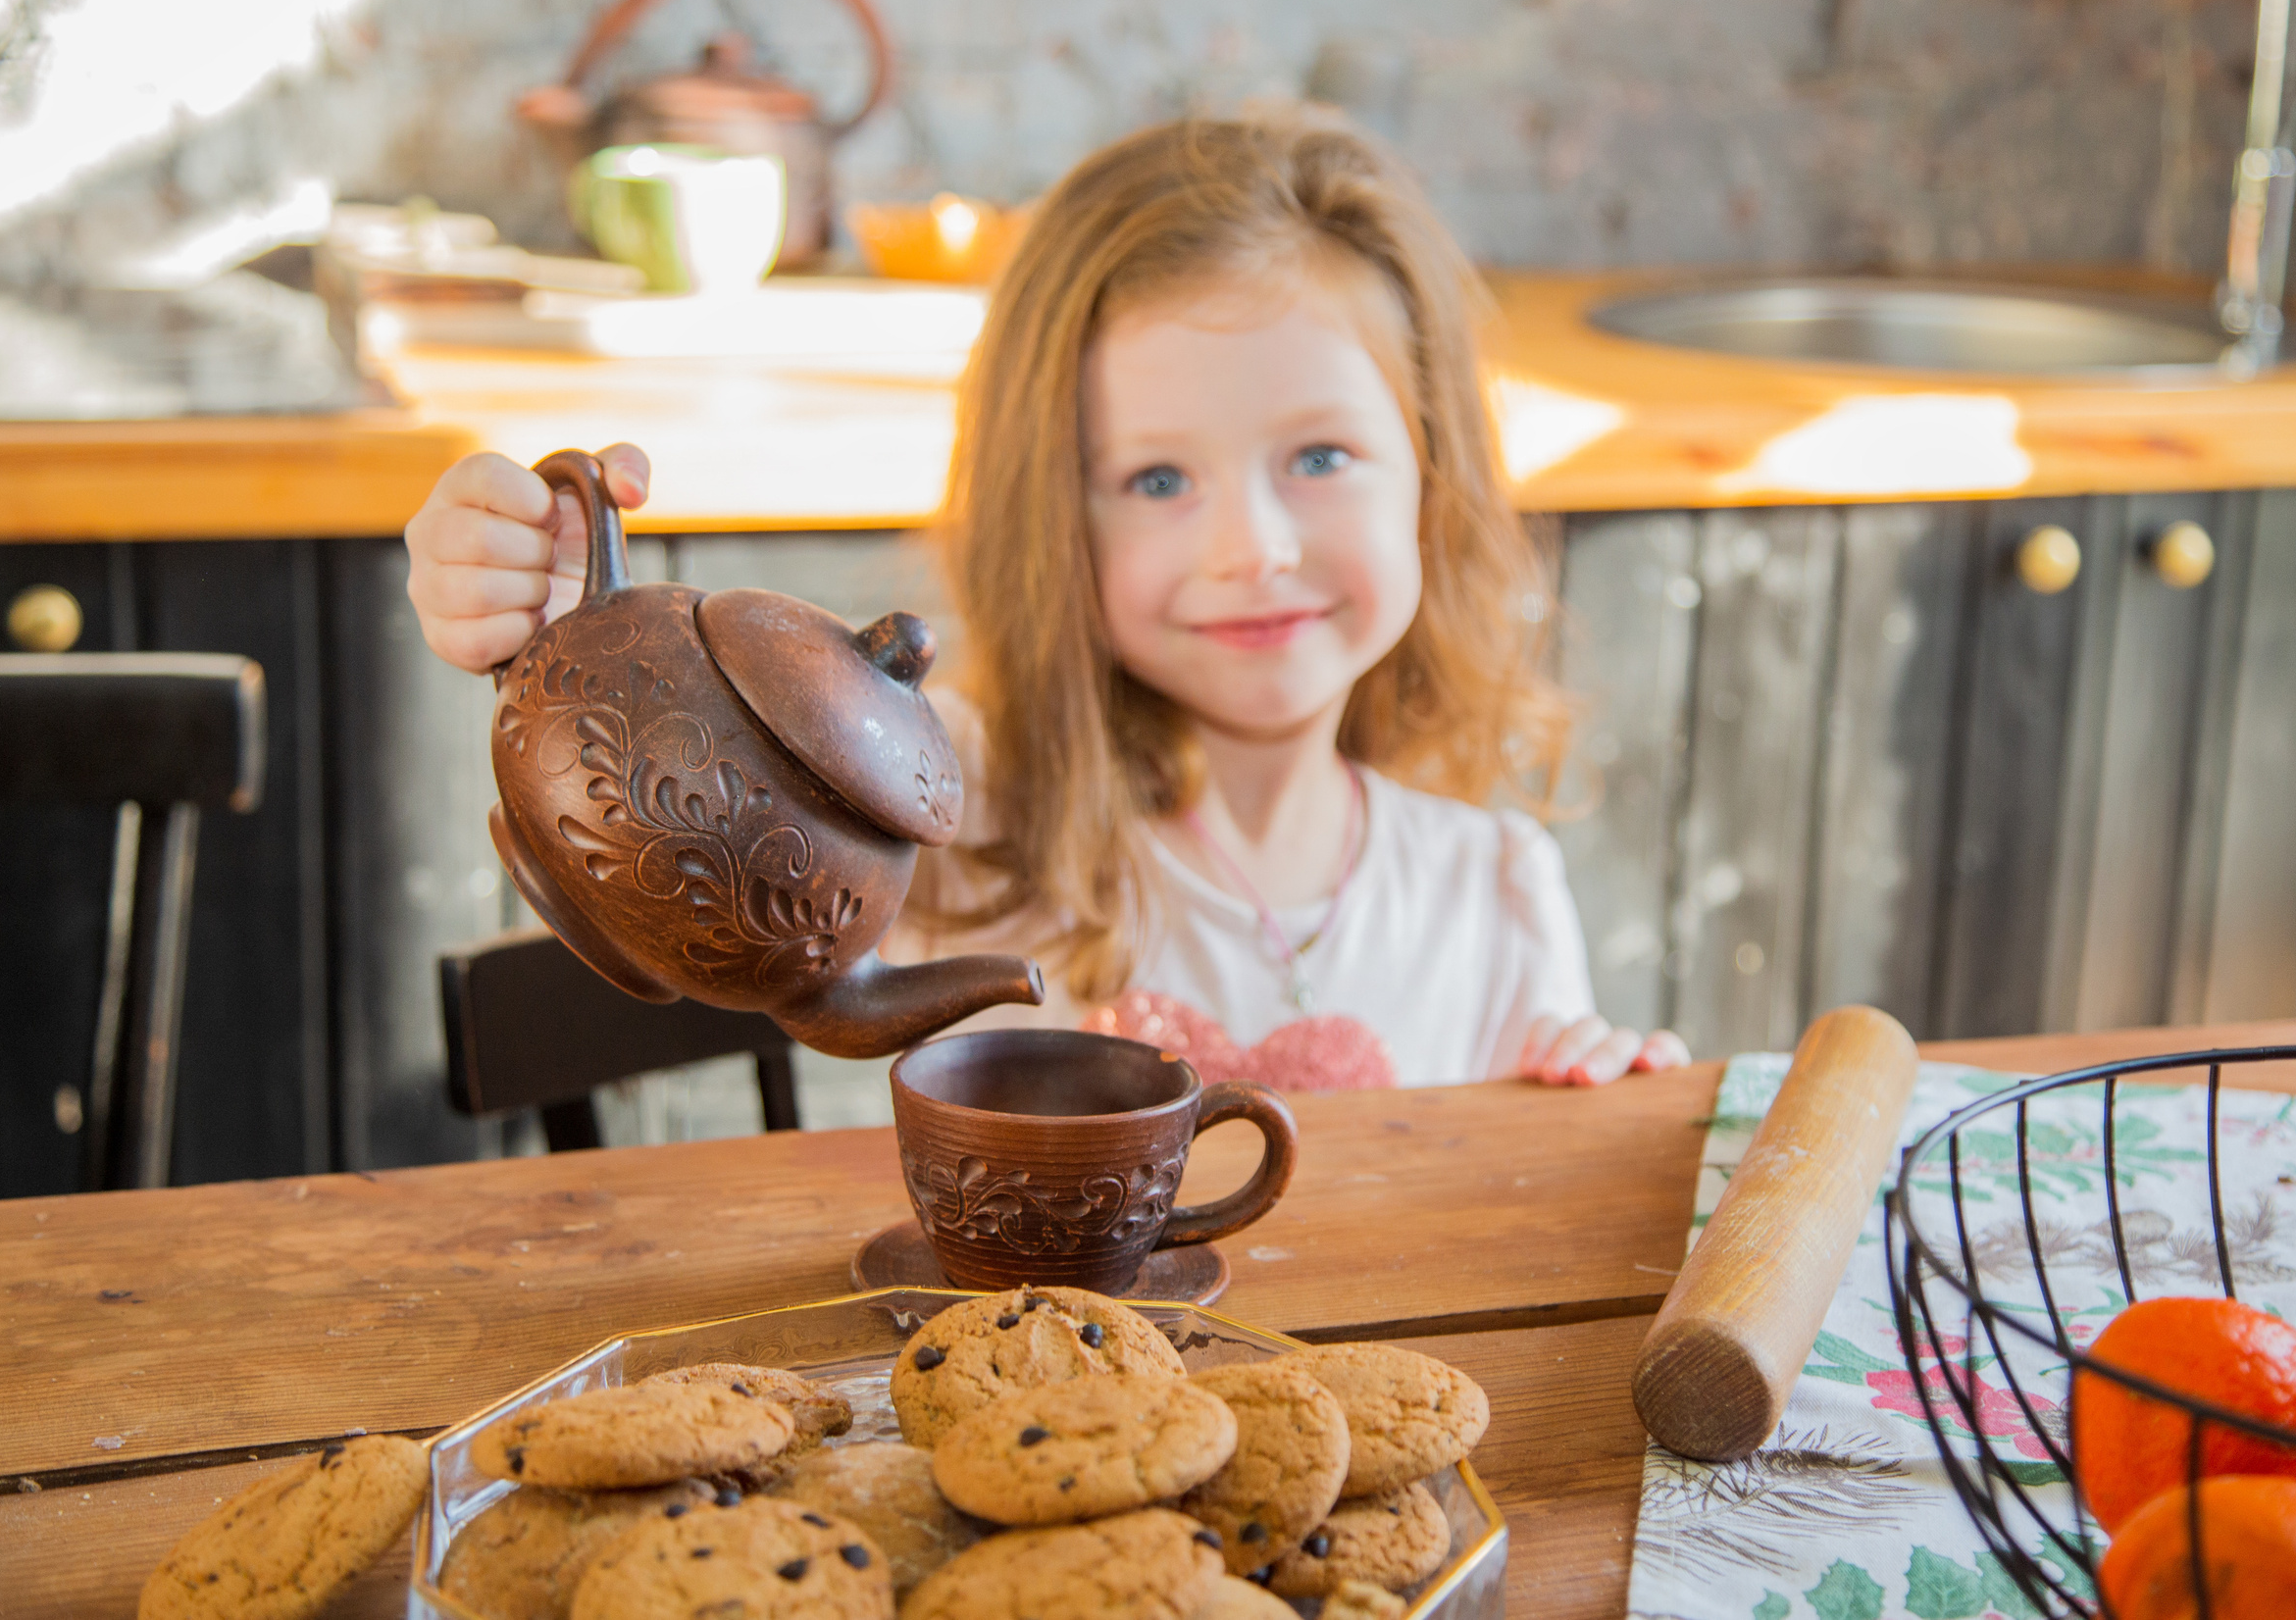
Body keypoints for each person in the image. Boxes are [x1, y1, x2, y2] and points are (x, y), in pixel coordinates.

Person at [403, 108, 1690, 1092]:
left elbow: (1517, 1225)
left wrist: (1597, 1099)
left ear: (1435, 473)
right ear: (1050, 518)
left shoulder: (1498, 891)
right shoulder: (959, 817)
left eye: (1320, 457)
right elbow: (700, 827)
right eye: (1156, 477)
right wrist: (570, 627)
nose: (1252, 546)